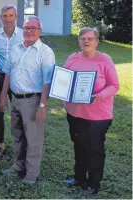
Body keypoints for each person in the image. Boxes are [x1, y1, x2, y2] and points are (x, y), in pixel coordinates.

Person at [0, 16, 55, 184]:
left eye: (33, 28)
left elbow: (47, 82)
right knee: (17, 135)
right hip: (15, 98)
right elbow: (7, 73)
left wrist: (42, 105)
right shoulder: (15, 49)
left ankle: (32, 173)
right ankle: (18, 165)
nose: (29, 31)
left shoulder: (45, 52)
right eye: (26, 28)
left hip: (33, 101)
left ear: (40, 31)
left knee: (33, 139)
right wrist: (3, 95)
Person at [63, 27, 119, 195]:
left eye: (90, 38)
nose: (86, 41)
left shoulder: (104, 60)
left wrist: (100, 95)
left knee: (94, 148)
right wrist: (62, 95)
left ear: (96, 41)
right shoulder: (72, 58)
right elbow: (64, 80)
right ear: (79, 41)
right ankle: (79, 177)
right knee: (79, 145)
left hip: (98, 114)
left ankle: (93, 183)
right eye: (82, 38)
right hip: (75, 112)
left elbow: (114, 85)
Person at [0, 5, 24, 157]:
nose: (8, 19)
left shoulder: (23, 35)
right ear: (1, 17)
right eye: (5, 16)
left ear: (16, 16)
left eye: (11, 15)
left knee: (19, 112)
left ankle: (20, 146)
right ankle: (1, 144)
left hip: (17, 77)